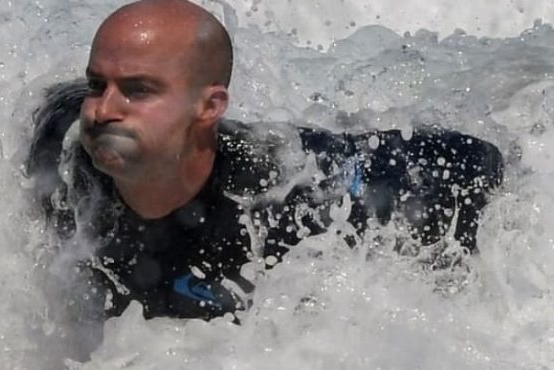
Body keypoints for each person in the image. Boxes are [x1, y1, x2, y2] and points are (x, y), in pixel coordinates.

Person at [24, 0, 503, 338]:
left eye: (139, 90)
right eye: (96, 84)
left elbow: (474, 163)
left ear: (209, 107)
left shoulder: (287, 198)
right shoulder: (63, 150)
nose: (103, 110)